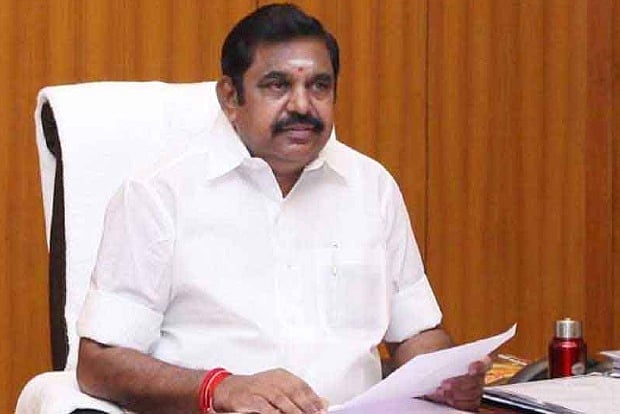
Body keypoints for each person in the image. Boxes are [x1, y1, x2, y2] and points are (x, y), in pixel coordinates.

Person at [76, 3, 491, 414]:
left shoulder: (372, 187)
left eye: (319, 86)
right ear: (230, 97)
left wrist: (447, 376)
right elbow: (99, 364)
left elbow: (416, 334)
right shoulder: (158, 195)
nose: (302, 106)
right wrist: (220, 388)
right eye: (277, 86)